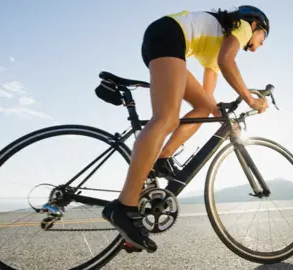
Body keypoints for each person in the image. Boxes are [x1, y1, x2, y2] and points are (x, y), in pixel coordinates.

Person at [102, 5, 270, 253]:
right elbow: (228, 61)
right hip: (169, 36)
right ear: (256, 25)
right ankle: (124, 207)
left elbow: (209, 98)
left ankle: (162, 156)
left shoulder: (215, 45)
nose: (261, 44)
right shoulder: (242, 26)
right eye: (263, 38)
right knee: (166, 119)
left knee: (200, 107)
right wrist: (251, 100)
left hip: (165, 38)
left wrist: (224, 118)